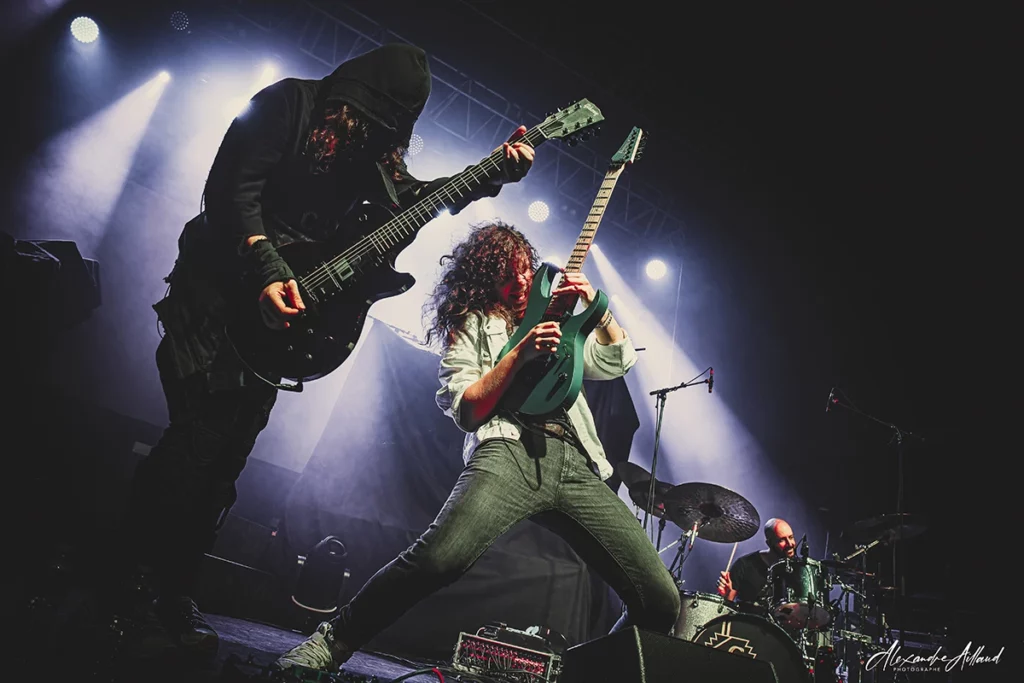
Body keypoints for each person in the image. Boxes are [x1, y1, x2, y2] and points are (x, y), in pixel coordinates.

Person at [114, 43, 536, 653]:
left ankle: (174, 588)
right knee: (194, 441)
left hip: (274, 331)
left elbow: (410, 205)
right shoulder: (287, 103)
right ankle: (126, 576)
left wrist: (487, 175)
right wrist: (265, 266)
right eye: (363, 122)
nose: (369, 137)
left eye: (384, 130)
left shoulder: (375, 148)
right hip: (215, 297)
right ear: (347, 101)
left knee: (227, 457)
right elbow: (230, 190)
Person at [272, 221, 681, 671]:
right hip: (508, 448)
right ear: (486, 278)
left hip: (578, 462)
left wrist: (598, 312)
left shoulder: (557, 319)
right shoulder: (472, 322)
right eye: (510, 273)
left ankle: (587, 676)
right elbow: (466, 407)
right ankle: (333, 641)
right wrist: (519, 353)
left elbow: (616, 362)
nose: (523, 280)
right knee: (438, 560)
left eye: (527, 269)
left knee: (661, 601)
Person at [717, 517, 798, 603]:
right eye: (782, 540)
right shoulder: (744, 565)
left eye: (791, 537)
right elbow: (727, 606)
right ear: (769, 543)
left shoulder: (798, 568)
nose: (790, 544)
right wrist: (726, 595)